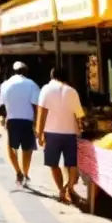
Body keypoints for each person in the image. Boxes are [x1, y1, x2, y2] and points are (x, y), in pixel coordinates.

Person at [36, 67, 85, 204]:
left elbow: (42, 113)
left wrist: (39, 134)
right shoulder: (72, 91)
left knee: (53, 164)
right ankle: (69, 186)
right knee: (72, 164)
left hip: (51, 133)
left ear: (52, 76)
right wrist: (80, 129)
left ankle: (61, 190)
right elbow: (79, 114)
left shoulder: (45, 89)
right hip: (70, 132)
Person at [0, 61, 40, 187]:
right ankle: (25, 172)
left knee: (11, 146)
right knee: (27, 149)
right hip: (27, 120)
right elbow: (37, 105)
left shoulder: (5, 84)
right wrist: (37, 123)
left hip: (12, 120)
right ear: (26, 72)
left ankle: (18, 171)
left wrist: (4, 118)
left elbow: (2, 104)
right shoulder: (32, 84)